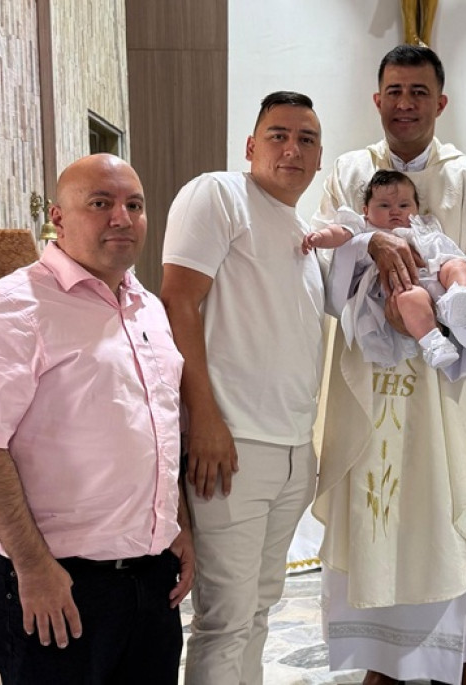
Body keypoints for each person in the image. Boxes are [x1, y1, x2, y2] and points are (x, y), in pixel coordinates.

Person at [0, 153, 193, 684]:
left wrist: (178, 524)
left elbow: (159, 427)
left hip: (150, 584)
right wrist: (32, 567)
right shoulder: (11, 308)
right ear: (58, 216)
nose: (121, 217)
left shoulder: (147, 307)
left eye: (134, 205)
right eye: (101, 203)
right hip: (56, 586)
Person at [311, 44, 466, 685]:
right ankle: (381, 660)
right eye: (394, 91)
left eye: (419, 92)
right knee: (379, 504)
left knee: (447, 502)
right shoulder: (345, 171)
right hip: (371, 378)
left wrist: (436, 300)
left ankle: (460, 656)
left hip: (443, 381)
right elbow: (318, 259)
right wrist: (370, 243)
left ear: (440, 102)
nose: (405, 104)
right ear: (377, 99)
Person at [160, 91, 325, 685]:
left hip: (290, 449)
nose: (292, 148)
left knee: (257, 610)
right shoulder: (220, 193)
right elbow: (178, 298)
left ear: (319, 155)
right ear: (251, 146)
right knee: (225, 619)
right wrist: (203, 419)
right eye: (278, 135)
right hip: (231, 445)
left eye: (306, 139)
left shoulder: (304, 232)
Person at [302, 169, 466, 372]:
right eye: (384, 205)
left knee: (457, 264)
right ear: (365, 210)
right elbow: (338, 233)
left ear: (417, 209)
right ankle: (434, 342)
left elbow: (450, 252)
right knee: (410, 298)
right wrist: (320, 238)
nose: (395, 211)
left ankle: (460, 296)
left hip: (436, 276)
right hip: (405, 285)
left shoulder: (424, 226)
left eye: (404, 205)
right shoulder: (361, 225)